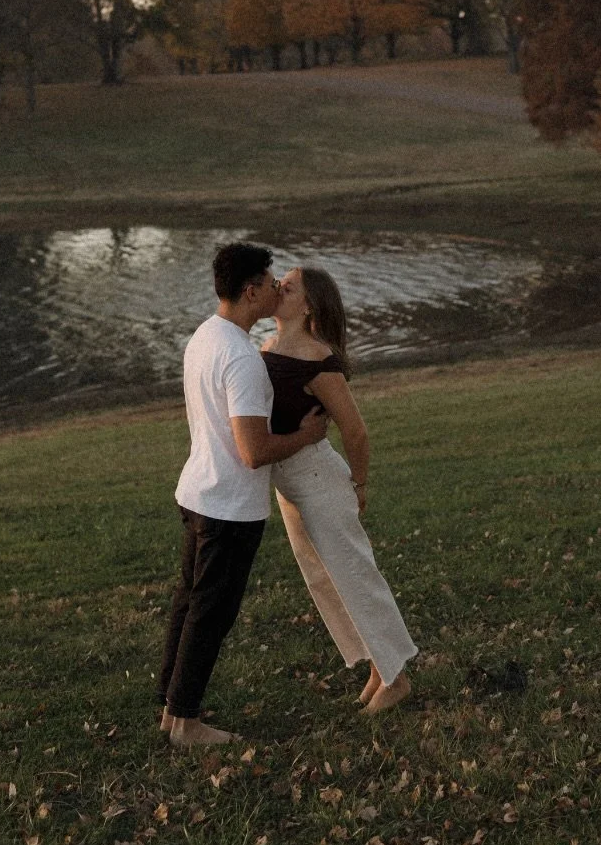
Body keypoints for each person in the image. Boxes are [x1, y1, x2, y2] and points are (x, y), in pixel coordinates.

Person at [159, 242, 328, 748]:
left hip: (197, 492)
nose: (279, 289)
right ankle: (186, 723)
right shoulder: (243, 358)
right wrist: (308, 436)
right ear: (250, 291)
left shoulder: (204, 337)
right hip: (228, 506)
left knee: (189, 605)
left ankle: (171, 710)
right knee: (210, 613)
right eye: (272, 283)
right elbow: (253, 452)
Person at [263, 266, 416, 713]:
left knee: (354, 577)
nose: (278, 288)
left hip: (318, 481)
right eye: (278, 283)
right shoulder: (267, 347)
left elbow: (356, 431)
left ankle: (398, 676)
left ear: (308, 306)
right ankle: (377, 666)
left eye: (288, 287)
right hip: (288, 485)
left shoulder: (318, 359)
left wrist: (360, 484)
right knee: (324, 580)